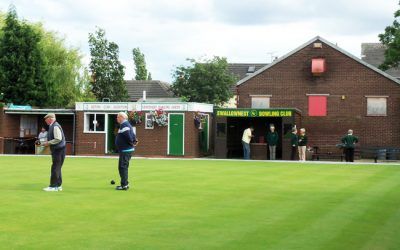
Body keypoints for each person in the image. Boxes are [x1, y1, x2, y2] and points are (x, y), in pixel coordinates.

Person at [42, 113, 66, 192]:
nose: (45, 120)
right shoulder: (53, 126)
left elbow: (58, 139)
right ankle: (58, 185)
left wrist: (48, 143)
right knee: (57, 167)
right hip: (59, 149)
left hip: (58, 150)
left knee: (55, 168)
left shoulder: (55, 126)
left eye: (46, 119)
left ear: (50, 119)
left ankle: (53, 186)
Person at [115, 112, 138, 190]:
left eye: (118, 117)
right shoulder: (126, 124)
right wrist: (134, 140)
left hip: (125, 150)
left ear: (122, 117)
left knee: (123, 167)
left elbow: (128, 136)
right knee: (123, 167)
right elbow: (133, 134)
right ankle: (125, 183)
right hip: (125, 150)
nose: (117, 118)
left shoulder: (125, 125)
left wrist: (132, 142)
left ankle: (124, 185)